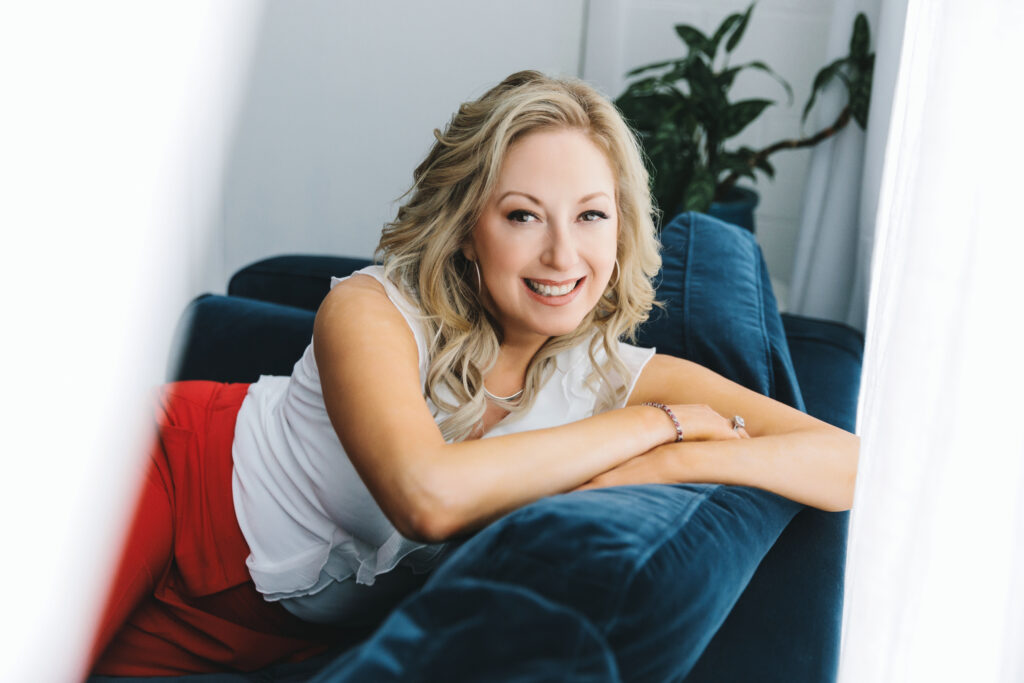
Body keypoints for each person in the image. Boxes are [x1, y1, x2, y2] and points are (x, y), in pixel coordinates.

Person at [89, 70, 858, 679]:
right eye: (524, 215)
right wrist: (654, 425)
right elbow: (429, 496)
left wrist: (681, 458)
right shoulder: (370, 310)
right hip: (161, 482)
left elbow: (848, 460)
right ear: (466, 230)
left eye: (591, 215)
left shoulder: (611, 371)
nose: (563, 256)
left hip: (266, 632)